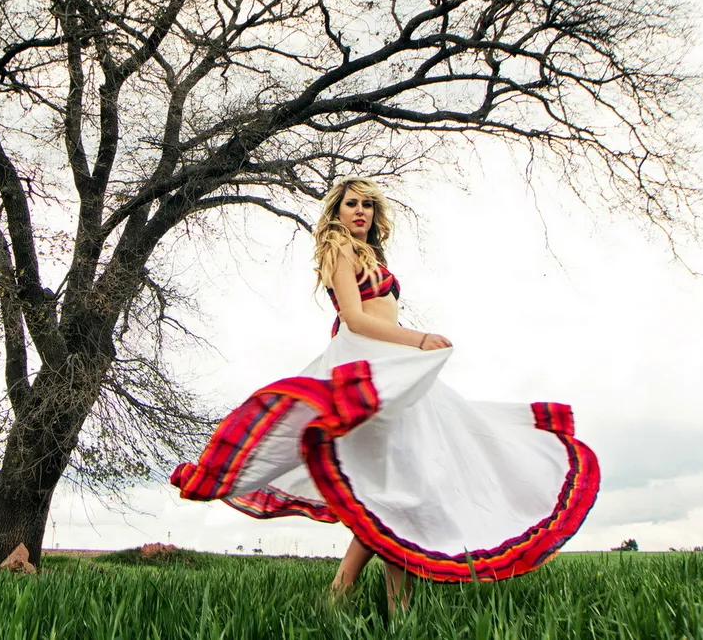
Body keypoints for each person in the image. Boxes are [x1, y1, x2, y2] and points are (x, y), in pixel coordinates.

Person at [171, 177, 600, 611]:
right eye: (351, 204)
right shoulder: (338, 247)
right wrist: (418, 338)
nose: (360, 212)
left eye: (367, 206)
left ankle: (349, 598)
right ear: (336, 211)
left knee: (396, 488)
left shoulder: (371, 253)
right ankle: (382, 607)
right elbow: (355, 318)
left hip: (389, 363)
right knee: (398, 488)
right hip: (369, 367)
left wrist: (407, 346)